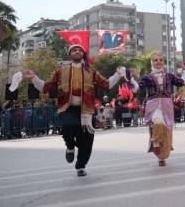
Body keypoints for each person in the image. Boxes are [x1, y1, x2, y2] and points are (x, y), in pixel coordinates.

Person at [21, 44, 131, 176]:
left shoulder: (91, 71)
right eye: (74, 50)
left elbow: (106, 84)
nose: (77, 51)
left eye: (80, 50)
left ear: (82, 54)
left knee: (87, 138)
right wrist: (34, 77)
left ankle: (80, 166)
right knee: (68, 125)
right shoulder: (60, 71)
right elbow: (45, 87)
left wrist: (118, 74)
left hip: (86, 109)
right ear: (70, 54)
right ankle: (70, 146)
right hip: (67, 107)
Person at [136, 53, 185, 166]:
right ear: (152, 62)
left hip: (167, 106)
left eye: (161, 60)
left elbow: (182, 82)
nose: (158, 62)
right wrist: (128, 77)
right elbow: (138, 88)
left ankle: (162, 157)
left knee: (167, 132)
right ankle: (155, 142)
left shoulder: (169, 76)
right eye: (156, 60)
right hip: (153, 106)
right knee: (158, 123)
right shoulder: (147, 77)